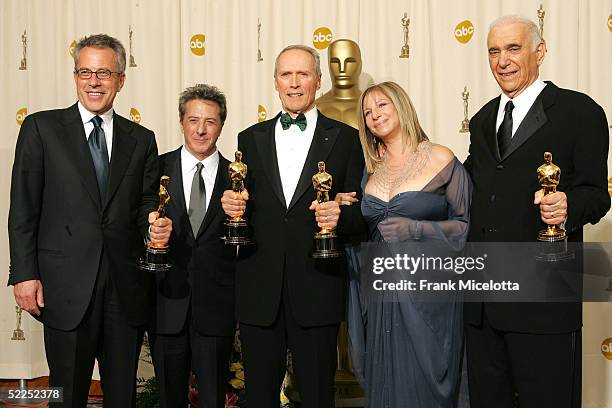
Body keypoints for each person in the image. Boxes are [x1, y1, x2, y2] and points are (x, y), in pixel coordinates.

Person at [8, 34, 172, 407]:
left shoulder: (141, 139)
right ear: (75, 76)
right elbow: (22, 208)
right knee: (65, 395)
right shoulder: (41, 129)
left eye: (103, 73)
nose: (93, 81)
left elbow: (146, 201)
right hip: (64, 286)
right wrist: (23, 273)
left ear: (121, 80)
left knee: (120, 397)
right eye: (85, 72)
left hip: (124, 286)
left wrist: (154, 222)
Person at [463, 15, 610, 408]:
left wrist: (569, 205)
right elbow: (467, 185)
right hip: (483, 302)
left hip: (543, 298)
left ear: (539, 51)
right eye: (494, 51)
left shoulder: (580, 112)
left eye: (514, 49)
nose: (503, 61)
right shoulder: (481, 119)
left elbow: (598, 194)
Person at [220, 44, 365, 407]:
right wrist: (230, 206)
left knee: (317, 395)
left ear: (318, 81)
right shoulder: (248, 140)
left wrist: (340, 216)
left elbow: (360, 213)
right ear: (275, 82)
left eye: (303, 74)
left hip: (317, 285)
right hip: (259, 289)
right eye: (286, 74)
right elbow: (243, 209)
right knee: (259, 397)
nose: (295, 83)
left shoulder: (347, 139)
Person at [342, 81, 471, 407]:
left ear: (401, 105)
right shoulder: (370, 171)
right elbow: (364, 234)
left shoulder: (440, 158)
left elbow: (464, 227)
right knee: (388, 384)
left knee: (427, 383)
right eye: (367, 112)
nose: (375, 115)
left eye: (382, 105)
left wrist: (416, 229)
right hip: (382, 295)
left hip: (428, 292)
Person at [150, 84, 236, 408]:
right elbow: (136, 229)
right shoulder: (155, 170)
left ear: (221, 125)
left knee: (213, 399)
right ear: (181, 121)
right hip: (165, 306)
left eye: (210, 121)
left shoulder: (239, 176)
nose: (201, 129)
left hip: (217, 309)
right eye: (193, 120)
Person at [315, 38, 363, 128]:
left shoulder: (369, 106)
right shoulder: (316, 108)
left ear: (360, 65)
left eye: (349, 61)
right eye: (335, 62)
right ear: (328, 65)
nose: (342, 69)